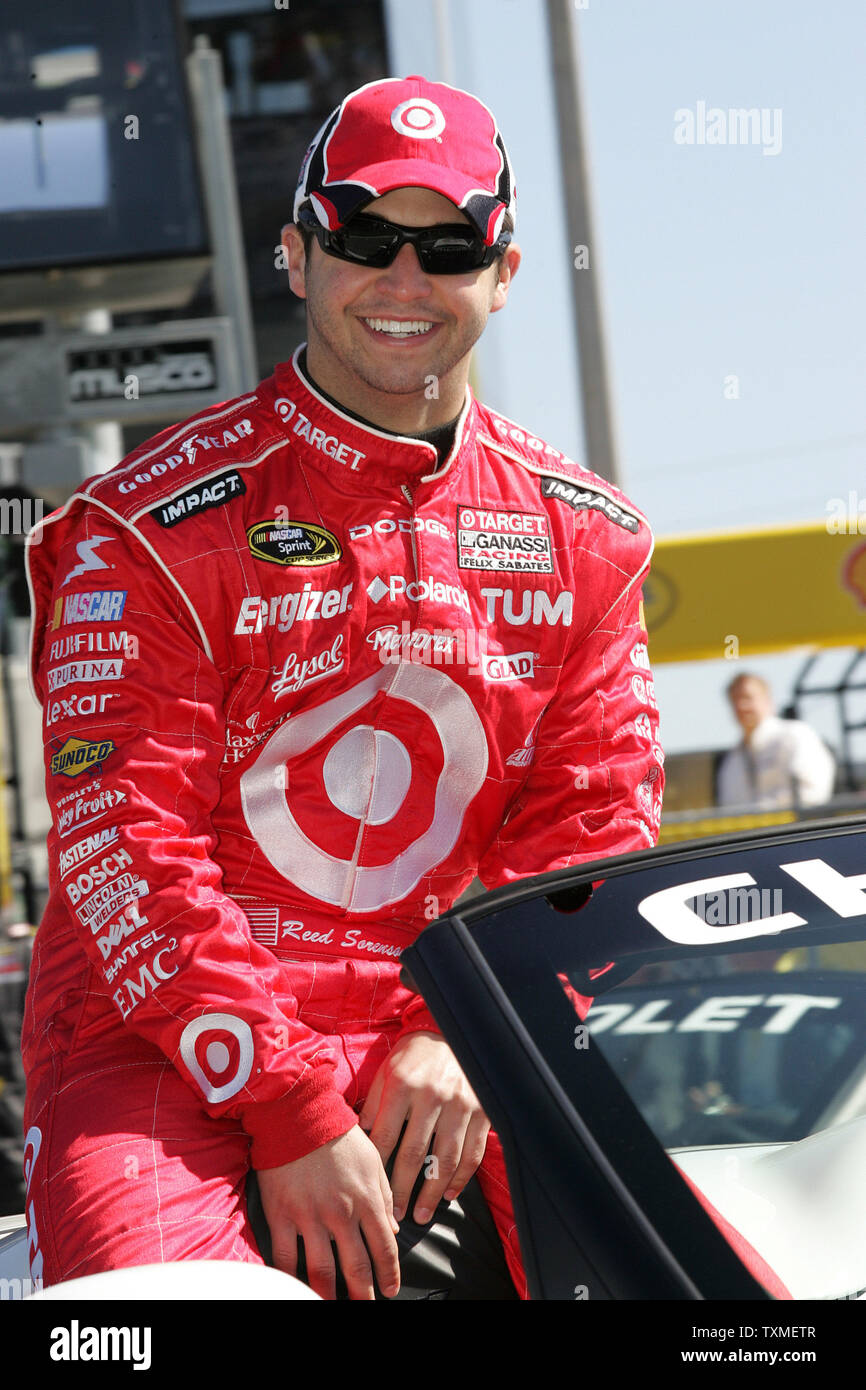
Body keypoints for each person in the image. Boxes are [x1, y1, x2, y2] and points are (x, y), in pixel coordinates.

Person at [21, 75, 663, 1300]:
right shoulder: (141, 525)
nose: (403, 280)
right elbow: (128, 849)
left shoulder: (590, 536)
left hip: (450, 1039)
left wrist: (460, 1031)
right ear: (297, 251)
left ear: (504, 268)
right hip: (153, 1048)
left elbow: (588, 836)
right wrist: (290, 1108)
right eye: (364, 237)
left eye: (447, 244)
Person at [716, 672, 836, 810]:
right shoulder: (732, 760)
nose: (742, 706)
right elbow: (728, 809)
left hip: (794, 828)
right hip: (750, 831)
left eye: (748, 698)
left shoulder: (795, 736)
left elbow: (813, 793)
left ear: (768, 701)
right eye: (735, 700)